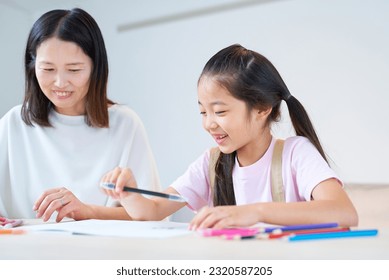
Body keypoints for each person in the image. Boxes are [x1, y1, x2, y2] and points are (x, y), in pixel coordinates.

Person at [101, 44, 358, 229]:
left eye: (220, 111)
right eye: (203, 112)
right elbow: (154, 211)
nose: (209, 124)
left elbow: (343, 212)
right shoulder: (210, 163)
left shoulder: (295, 154)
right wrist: (129, 195)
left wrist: (253, 213)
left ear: (262, 108)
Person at [0, 8, 160, 222]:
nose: (60, 83)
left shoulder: (125, 124)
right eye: (47, 69)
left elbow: (150, 216)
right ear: (32, 66)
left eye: (74, 70)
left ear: (96, 68)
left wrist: (87, 211)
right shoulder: (13, 124)